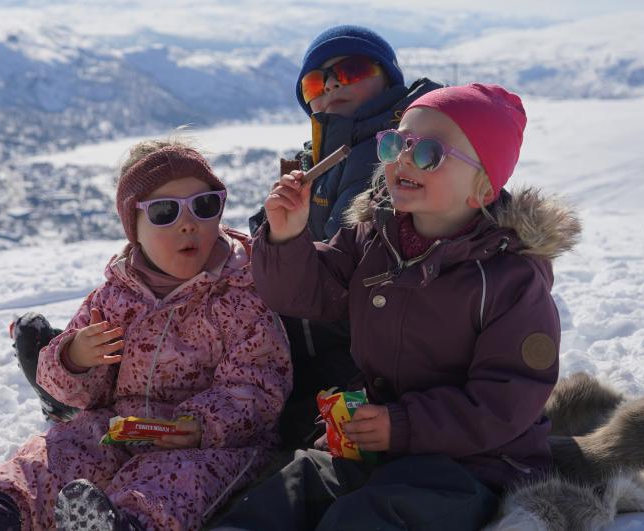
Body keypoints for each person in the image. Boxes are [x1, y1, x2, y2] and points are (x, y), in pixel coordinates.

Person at [216, 84, 581, 530]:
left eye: (428, 153)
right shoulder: (374, 236)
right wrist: (287, 237)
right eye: (395, 144)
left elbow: (507, 398)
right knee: (290, 491)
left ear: (483, 187)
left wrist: (403, 425)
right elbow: (302, 294)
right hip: (376, 441)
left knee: (367, 515)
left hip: (473, 465)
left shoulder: (509, 278)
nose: (402, 160)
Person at [0, 138, 292, 531]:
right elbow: (76, 393)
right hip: (122, 425)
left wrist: (203, 425)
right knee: (64, 447)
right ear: (133, 227)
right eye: (165, 211)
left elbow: (258, 384)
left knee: (175, 479)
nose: (189, 223)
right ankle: (1, 512)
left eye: (204, 206)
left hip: (212, 444)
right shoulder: (116, 296)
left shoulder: (240, 293)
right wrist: (75, 359)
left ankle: (126, 524)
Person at [249, 25, 442, 448]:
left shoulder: (395, 151)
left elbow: (345, 256)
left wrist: (279, 242)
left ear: (388, 78)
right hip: (319, 330)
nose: (333, 84)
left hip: (361, 348)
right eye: (317, 81)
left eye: (351, 70)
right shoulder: (324, 153)